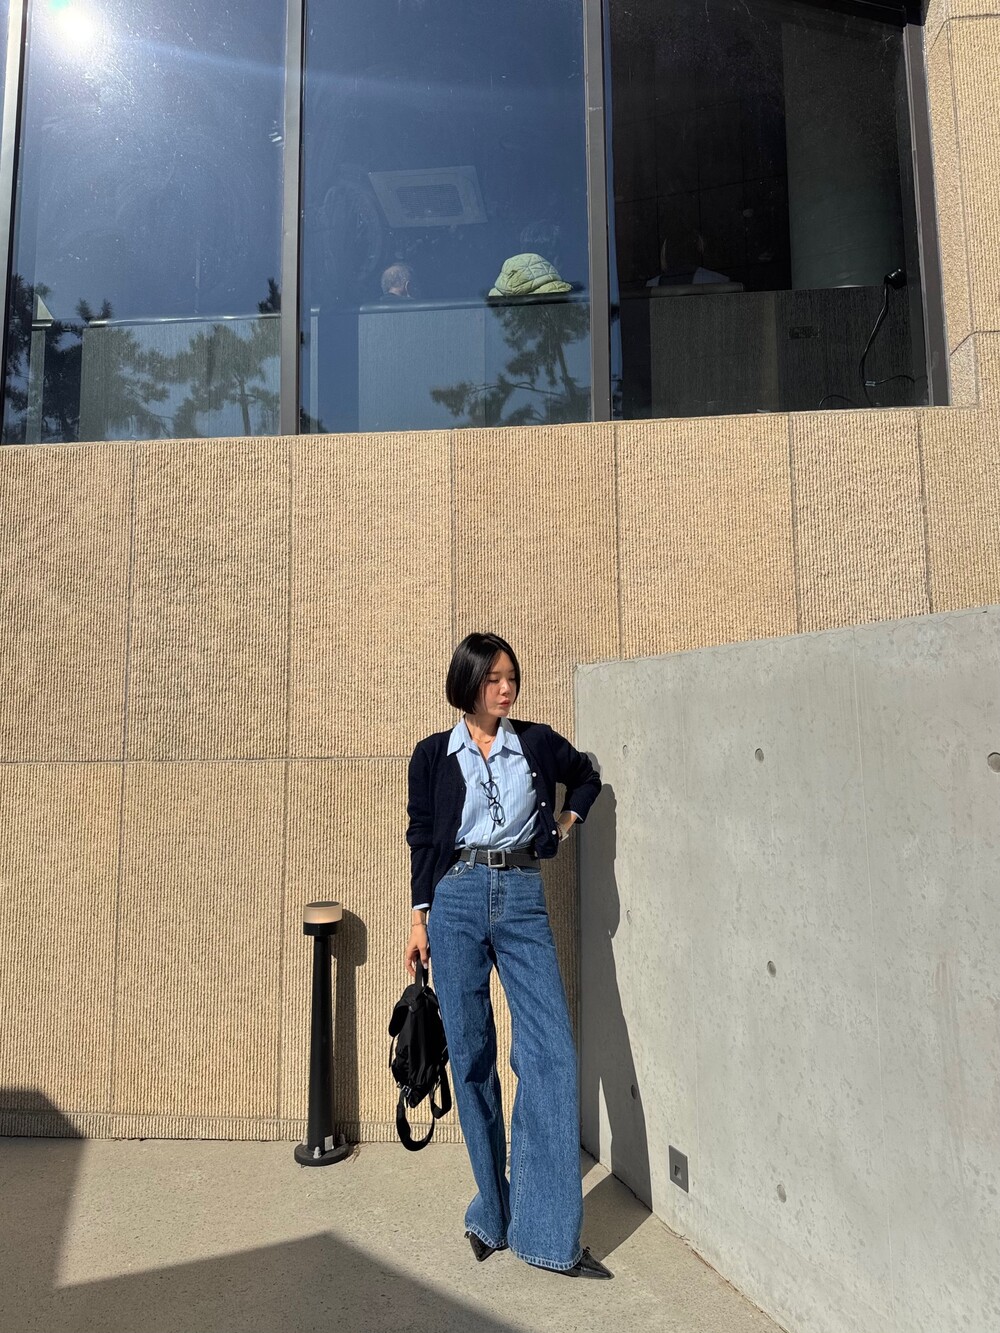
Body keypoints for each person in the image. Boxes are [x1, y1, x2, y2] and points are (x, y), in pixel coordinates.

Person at [405, 632, 612, 1279]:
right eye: (493, 678)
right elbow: (422, 837)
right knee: (471, 1057)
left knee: (550, 1053)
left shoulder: (537, 742)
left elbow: (587, 778)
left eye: (511, 677)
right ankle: (492, 1213)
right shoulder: (432, 754)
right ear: (466, 683)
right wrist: (418, 919)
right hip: (456, 897)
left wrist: (565, 825)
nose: (506, 688)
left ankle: (546, 1235)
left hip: (521, 893)